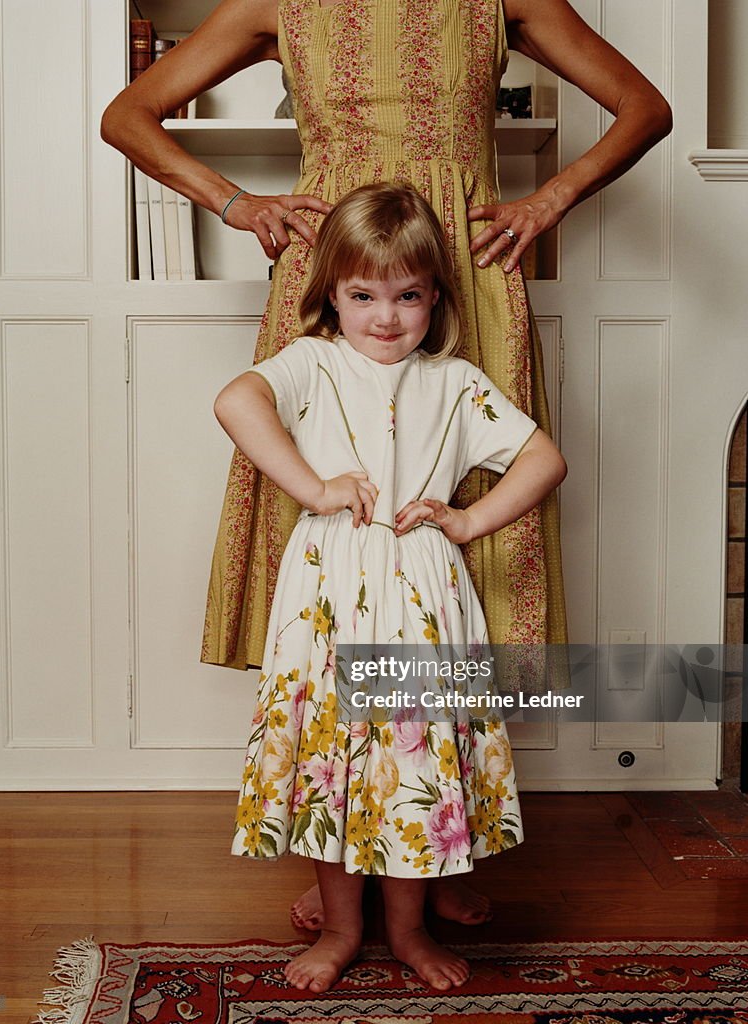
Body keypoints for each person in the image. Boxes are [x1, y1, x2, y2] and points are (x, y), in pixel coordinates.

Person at [101, 0, 670, 931]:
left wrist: (546, 201)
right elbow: (127, 114)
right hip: (338, 275)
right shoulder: (274, 4)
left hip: (457, 281)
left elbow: (645, 107)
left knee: (462, 563)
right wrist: (238, 204)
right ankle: (344, 834)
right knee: (337, 559)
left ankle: (431, 836)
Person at [213, 182, 567, 992]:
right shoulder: (311, 361)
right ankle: (341, 928)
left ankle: (407, 931)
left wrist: (471, 523)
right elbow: (237, 401)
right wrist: (312, 486)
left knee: (413, 764)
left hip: (421, 598)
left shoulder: (455, 381)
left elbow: (543, 459)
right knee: (328, 759)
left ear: (435, 296)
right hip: (327, 596)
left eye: (407, 296)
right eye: (362, 295)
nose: (385, 316)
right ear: (330, 296)